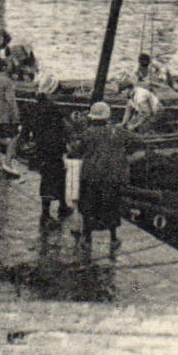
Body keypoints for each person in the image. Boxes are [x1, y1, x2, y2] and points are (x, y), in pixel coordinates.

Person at [70, 101, 139, 253]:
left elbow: (75, 152)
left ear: (92, 118)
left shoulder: (88, 133)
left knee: (89, 207)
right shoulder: (117, 131)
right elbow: (136, 141)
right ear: (107, 117)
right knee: (112, 206)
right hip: (113, 176)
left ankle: (87, 239)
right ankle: (113, 238)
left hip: (91, 176)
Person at [23, 72, 74, 226]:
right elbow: (64, 128)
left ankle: (62, 206)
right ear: (51, 92)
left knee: (55, 175)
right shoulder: (53, 109)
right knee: (52, 178)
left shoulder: (33, 107)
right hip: (53, 148)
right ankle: (46, 214)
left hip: (41, 147)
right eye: (57, 92)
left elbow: (26, 129)